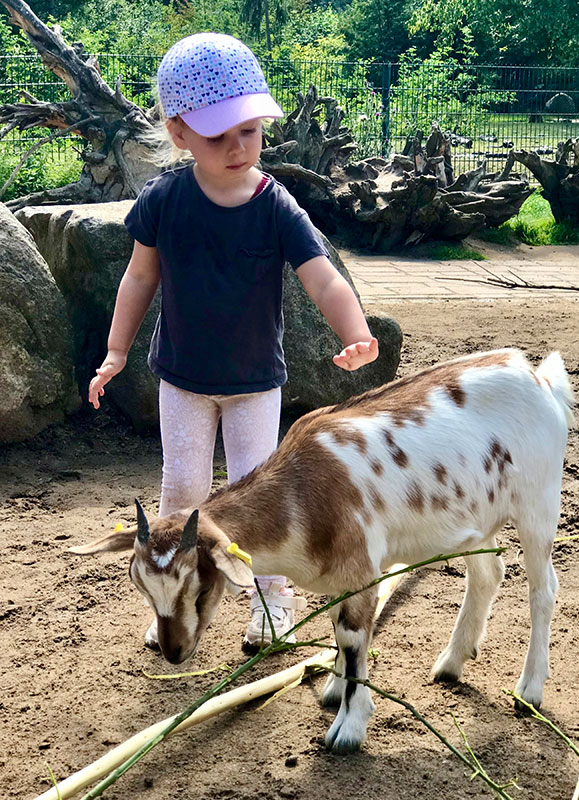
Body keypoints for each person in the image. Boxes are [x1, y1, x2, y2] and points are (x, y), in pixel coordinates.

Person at [89, 32, 379, 653]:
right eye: (218, 135)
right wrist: (116, 351)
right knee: (182, 495)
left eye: (249, 129)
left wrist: (356, 331)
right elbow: (140, 275)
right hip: (183, 381)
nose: (238, 146)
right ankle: (173, 604)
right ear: (178, 133)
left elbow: (321, 274)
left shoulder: (276, 205)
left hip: (254, 385)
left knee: (261, 501)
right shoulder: (165, 200)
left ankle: (271, 607)